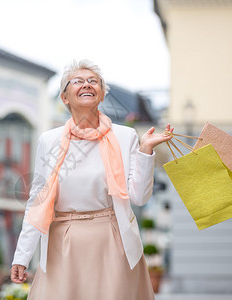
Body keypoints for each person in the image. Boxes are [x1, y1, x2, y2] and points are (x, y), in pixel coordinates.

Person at [10, 59, 173, 299]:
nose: (86, 84)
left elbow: (139, 197)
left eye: (93, 81)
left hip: (112, 239)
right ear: (65, 97)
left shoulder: (126, 136)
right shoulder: (49, 140)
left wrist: (145, 150)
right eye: (77, 81)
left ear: (102, 94)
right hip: (62, 242)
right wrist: (21, 256)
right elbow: (37, 201)